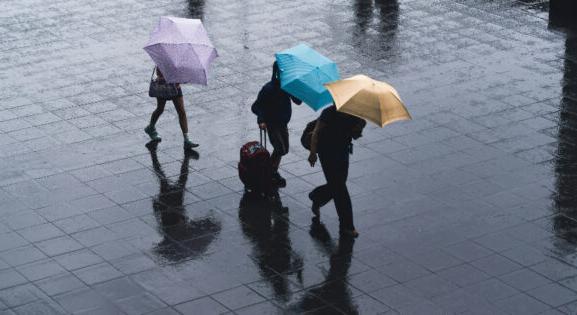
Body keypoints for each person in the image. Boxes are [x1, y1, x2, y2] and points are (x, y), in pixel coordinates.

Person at [307, 105, 366, 237]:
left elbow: (355, 135)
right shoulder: (329, 112)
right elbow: (316, 132)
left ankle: (317, 196)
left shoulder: (354, 114)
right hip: (326, 152)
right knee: (340, 188)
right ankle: (347, 226)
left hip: (342, 151)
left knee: (338, 185)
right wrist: (312, 152)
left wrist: (360, 126)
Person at [252, 62, 302, 187]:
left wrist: (296, 88)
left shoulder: (287, 87)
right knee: (279, 148)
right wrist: (261, 120)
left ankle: (272, 171)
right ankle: (269, 172)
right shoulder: (268, 89)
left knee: (284, 149)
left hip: (283, 123)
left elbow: (298, 101)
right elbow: (257, 106)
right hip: (272, 124)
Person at [145, 67, 199, 150]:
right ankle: (151, 127)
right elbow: (159, 72)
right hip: (163, 86)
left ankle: (186, 139)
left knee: (181, 111)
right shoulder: (163, 57)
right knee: (160, 109)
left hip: (175, 87)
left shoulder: (178, 58)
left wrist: (180, 78)